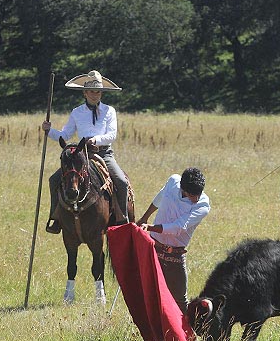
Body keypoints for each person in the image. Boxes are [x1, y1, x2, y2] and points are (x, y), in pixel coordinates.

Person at [42, 70, 129, 234]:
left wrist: (95, 140)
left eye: (98, 91)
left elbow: (112, 135)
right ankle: (56, 217)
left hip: (103, 153)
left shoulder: (109, 111)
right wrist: (49, 130)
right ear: (85, 92)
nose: (95, 95)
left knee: (121, 181)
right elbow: (65, 135)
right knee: (54, 180)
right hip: (81, 156)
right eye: (91, 91)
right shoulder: (77, 112)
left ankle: (122, 218)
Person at [137, 167, 211, 313]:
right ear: (183, 189)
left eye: (198, 193)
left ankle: (184, 334)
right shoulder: (173, 181)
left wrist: (150, 227)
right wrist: (144, 217)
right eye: (192, 195)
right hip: (153, 249)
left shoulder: (203, 205)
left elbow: (178, 228)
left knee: (180, 301)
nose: (196, 198)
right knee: (148, 293)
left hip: (175, 257)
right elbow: (159, 198)